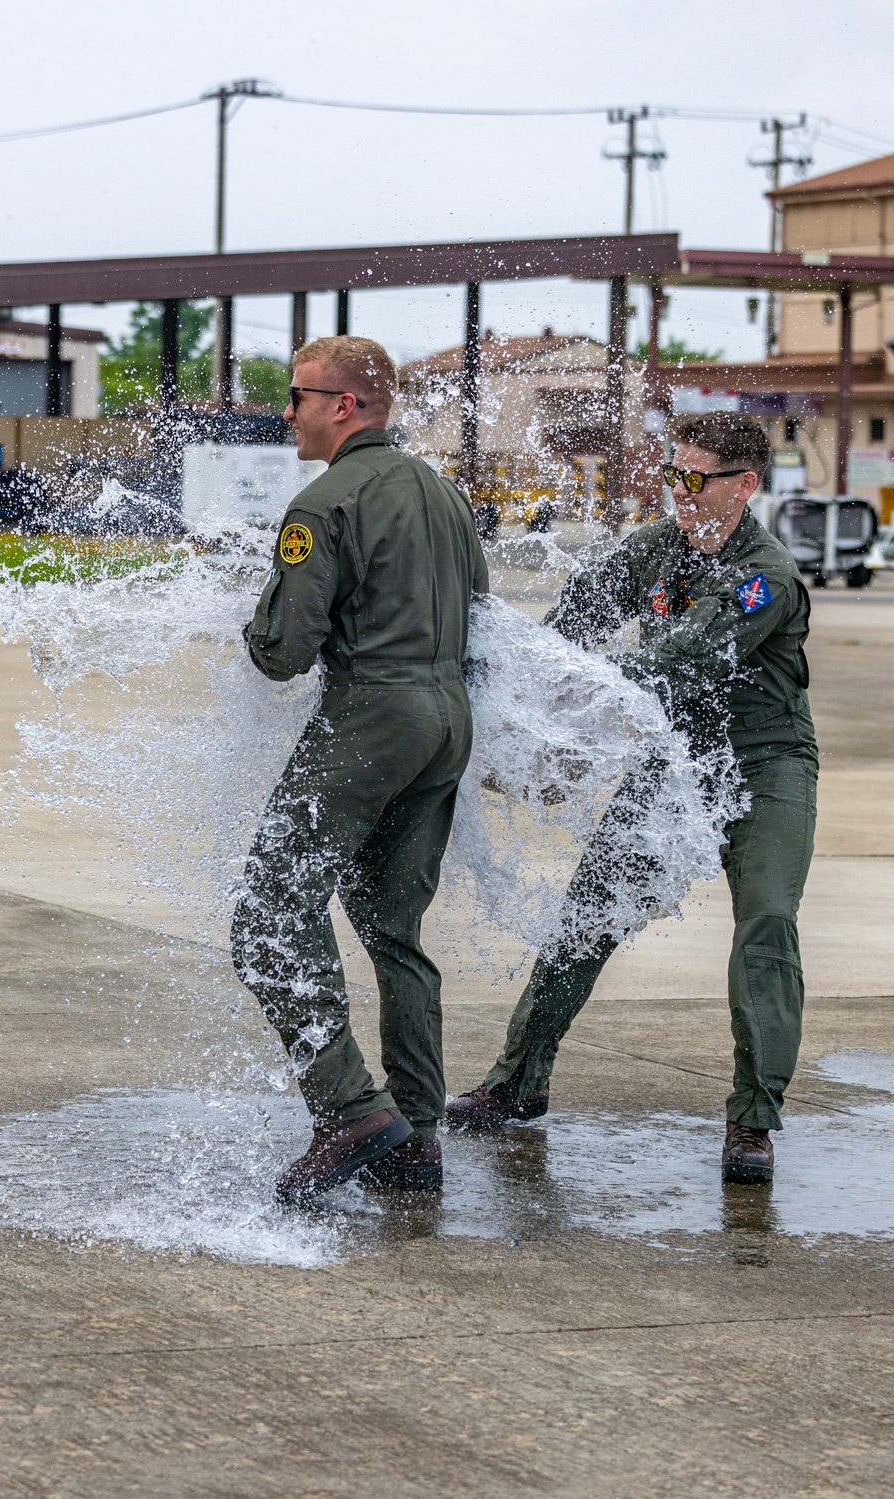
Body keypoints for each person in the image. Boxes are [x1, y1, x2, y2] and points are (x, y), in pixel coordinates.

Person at [447, 411, 817, 1185]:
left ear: (744, 485)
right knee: (587, 916)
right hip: (679, 764)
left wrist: (579, 708)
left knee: (767, 926)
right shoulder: (657, 547)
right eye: (672, 474)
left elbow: (682, 661)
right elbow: (571, 626)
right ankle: (519, 1083)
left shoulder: (766, 576)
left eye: (694, 478)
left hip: (765, 766)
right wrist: (514, 694)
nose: (676, 491)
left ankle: (752, 1117)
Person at [232, 334, 489, 1202]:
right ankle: (416, 1135)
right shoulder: (447, 495)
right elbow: (481, 618)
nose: (288, 412)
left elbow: (282, 653)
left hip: (373, 713)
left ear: (346, 406)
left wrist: (246, 612)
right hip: (447, 718)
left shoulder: (321, 504)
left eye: (299, 396)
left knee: (266, 915)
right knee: (393, 928)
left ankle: (349, 1107)